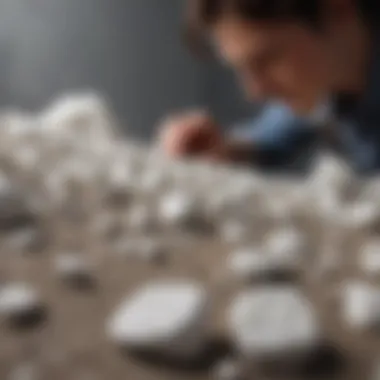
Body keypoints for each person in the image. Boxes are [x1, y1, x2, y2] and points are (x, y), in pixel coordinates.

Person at [159, 0, 380, 175]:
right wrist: (225, 150)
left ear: (337, 6)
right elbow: (275, 135)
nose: (254, 92)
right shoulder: (330, 78)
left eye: (267, 61)